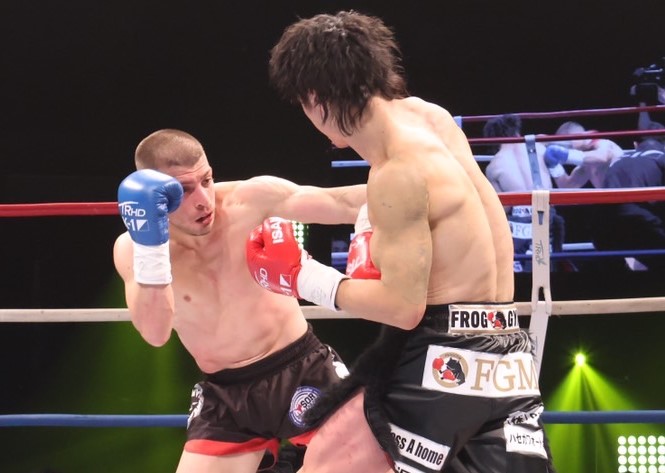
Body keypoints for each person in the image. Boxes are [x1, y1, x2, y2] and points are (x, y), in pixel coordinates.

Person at [247, 10, 556, 473]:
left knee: (322, 464)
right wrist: (276, 200)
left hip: (441, 362)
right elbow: (389, 202)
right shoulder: (429, 119)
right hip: (507, 354)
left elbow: (401, 308)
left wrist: (301, 277)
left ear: (315, 100)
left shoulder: (396, 174)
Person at [113, 128, 366, 473]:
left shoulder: (249, 200)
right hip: (226, 396)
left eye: (206, 180)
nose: (203, 200)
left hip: (302, 369)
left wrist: (432, 184)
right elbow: (155, 334)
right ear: (155, 196)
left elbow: (345, 203)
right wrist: (152, 249)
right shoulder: (133, 249)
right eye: (183, 190)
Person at [483, 114, 565, 272]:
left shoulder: (494, 166)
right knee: (545, 273)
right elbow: (564, 181)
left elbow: (503, 208)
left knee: (518, 273)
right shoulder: (539, 148)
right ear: (516, 131)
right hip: (546, 218)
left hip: (518, 226)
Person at [591, 137, 665, 271]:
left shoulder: (619, 160)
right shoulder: (659, 158)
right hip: (634, 217)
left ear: (636, 146)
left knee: (615, 270)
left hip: (600, 223)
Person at [543, 121, 624, 188]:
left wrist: (566, 154)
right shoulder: (586, 166)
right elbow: (568, 186)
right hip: (618, 198)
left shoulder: (604, 143)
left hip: (629, 191)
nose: (567, 148)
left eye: (568, 144)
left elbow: (603, 157)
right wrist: (554, 167)